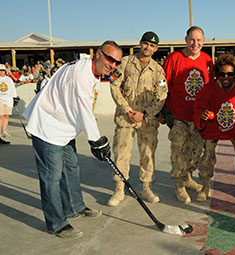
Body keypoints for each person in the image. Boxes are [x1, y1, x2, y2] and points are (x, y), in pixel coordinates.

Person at [23, 41, 122, 239]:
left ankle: (74, 207)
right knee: (52, 177)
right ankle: (56, 223)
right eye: (110, 58)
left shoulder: (92, 71)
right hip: (48, 127)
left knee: (71, 169)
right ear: (98, 55)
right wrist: (97, 140)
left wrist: (96, 139)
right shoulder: (81, 75)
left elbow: (83, 109)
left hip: (65, 128)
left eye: (117, 62)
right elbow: (83, 110)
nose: (113, 65)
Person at [108, 32, 168, 206]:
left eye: (152, 46)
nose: (148, 47)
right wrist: (127, 110)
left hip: (146, 120)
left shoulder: (158, 70)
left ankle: (147, 188)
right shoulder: (125, 63)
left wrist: (146, 114)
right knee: (121, 154)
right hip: (125, 118)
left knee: (148, 154)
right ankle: (119, 189)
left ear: (156, 49)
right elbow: (114, 85)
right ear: (140, 43)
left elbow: (162, 94)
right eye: (146, 44)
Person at [193, 53, 235, 201]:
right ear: (217, 74)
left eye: (230, 74)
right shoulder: (209, 88)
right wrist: (203, 114)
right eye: (222, 74)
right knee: (207, 157)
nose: (226, 77)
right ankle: (205, 186)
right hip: (213, 127)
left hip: (234, 128)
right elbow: (200, 105)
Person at [162, 26, 214, 203]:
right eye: (192, 39)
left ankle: (188, 177)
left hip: (198, 118)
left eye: (199, 40)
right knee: (178, 152)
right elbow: (163, 87)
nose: (195, 43)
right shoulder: (174, 58)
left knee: (195, 152)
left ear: (204, 41)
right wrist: (163, 111)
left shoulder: (207, 60)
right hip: (179, 116)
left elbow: (211, 88)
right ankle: (179, 185)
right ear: (186, 40)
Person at [0, 64, 18, 143]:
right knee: (0, 116)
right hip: (0, 99)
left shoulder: (8, 79)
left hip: (8, 99)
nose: (1, 72)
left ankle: (4, 131)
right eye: (0, 70)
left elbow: (12, 88)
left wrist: (15, 97)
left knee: (6, 116)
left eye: (3, 70)